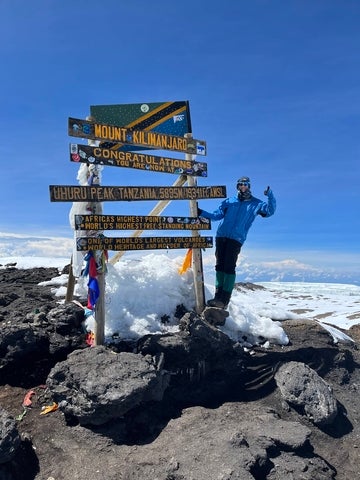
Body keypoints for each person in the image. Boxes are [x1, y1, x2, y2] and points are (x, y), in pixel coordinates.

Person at [198, 176, 276, 308]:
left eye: (245, 184)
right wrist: (201, 212)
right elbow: (217, 215)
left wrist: (270, 195)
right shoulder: (229, 201)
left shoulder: (256, 204)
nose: (243, 186)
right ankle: (217, 297)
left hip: (236, 239)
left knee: (229, 267)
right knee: (219, 266)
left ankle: (224, 300)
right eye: (240, 184)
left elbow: (270, 211)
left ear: (249, 186)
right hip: (221, 236)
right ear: (238, 186)